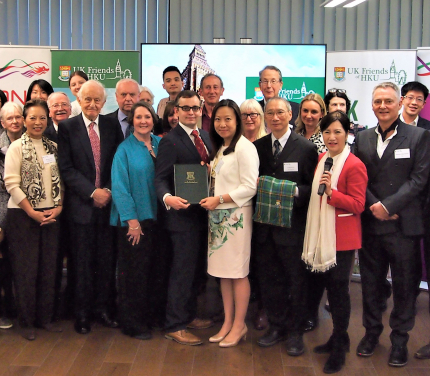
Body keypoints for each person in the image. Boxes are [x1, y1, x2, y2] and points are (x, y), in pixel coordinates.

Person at [354, 82, 430, 367]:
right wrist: (375, 206)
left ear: (399, 104)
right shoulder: (361, 139)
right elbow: (359, 178)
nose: (382, 106)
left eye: (388, 101)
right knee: (371, 286)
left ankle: (400, 340)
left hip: (403, 227)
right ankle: (371, 334)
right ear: (371, 105)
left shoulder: (419, 136)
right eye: (377, 101)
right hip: (372, 224)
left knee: (404, 287)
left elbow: (419, 180)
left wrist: (388, 206)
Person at [302, 110, 367, 373]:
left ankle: (341, 345)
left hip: (342, 239)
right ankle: (335, 338)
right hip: (321, 235)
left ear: (347, 134)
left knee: (339, 294)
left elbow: (359, 204)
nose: (331, 137)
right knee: (324, 288)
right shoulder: (322, 159)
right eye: (327, 132)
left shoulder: (355, 165)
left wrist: (333, 194)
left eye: (337, 131)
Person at [58, 80, 124, 335]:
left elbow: (117, 161)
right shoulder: (67, 127)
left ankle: (103, 309)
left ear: (104, 102)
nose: (93, 104)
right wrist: (91, 192)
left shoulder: (111, 125)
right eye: (88, 99)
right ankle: (82, 314)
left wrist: (106, 190)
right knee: (82, 264)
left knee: (107, 262)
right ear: (79, 100)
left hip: (108, 206)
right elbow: (66, 168)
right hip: (81, 209)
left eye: (98, 100)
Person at [253, 97, 318, 356]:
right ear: (265, 117)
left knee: (296, 281)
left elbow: (312, 188)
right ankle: (276, 326)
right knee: (270, 281)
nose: (275, 117)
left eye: (280, 112)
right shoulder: (257, 147)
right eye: (270, 113)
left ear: (290, 114)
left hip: (292, 227)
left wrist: (290, 192)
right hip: (265, 228)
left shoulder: (305, 147)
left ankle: (295, 332)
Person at [155, 90, 213, 346]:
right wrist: (168, 199)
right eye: (186, 108)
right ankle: (174, 324)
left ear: (201, 110)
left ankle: (188, 315)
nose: (191, 112)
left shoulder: (207, 138)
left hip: (204, 216)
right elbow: (160, 179)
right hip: (181, 219)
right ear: (176, 111)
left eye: (195, 108)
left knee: (195, 272)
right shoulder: (171, 141)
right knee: (182, 272)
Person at [200, 99, 258, 347]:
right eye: (218, 119)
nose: (223, 124)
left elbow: (250, 187)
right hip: (218, 218)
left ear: (238, 121)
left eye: (228, 119)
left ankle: (239, 325)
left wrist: (219, 199)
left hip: (236, 218)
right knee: (224, 274)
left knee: (238, 273)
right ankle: (227, 322)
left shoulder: (245, 148)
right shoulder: (221, 148)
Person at [4, 99, 63, 340]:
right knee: (26, 271)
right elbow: (11, 184)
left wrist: (58, 208)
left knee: (48, 269)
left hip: (51, 214)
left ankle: (44, 318)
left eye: (42, 118)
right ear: (24, 121)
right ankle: (27, 322)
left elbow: (61, 181)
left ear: (47, 120)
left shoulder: (53, 147)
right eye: (32, 118)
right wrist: (31, 212)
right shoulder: (16, 147)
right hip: (23, 215)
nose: (38, 122)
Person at [110, 101, 161, 340]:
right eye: (138, 117)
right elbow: (119, 188)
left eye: (147, 117)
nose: (143, 121)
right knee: (134, 276)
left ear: (153, 120)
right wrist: (131, 221)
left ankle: (150, 317)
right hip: (135, 223)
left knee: (153, 272)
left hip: (157, 219)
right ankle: (133, 323)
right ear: (132, 121)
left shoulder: (161, 144)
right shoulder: (124, 150)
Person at [0, 102, 24, 330]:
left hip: (28, 215)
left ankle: (21, 309)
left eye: (18, 116)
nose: (15, 121)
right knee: (3, 266)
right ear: (2, 122)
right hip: (4, 216)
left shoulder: (32, 142)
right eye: (10, 118)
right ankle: (4, 310)